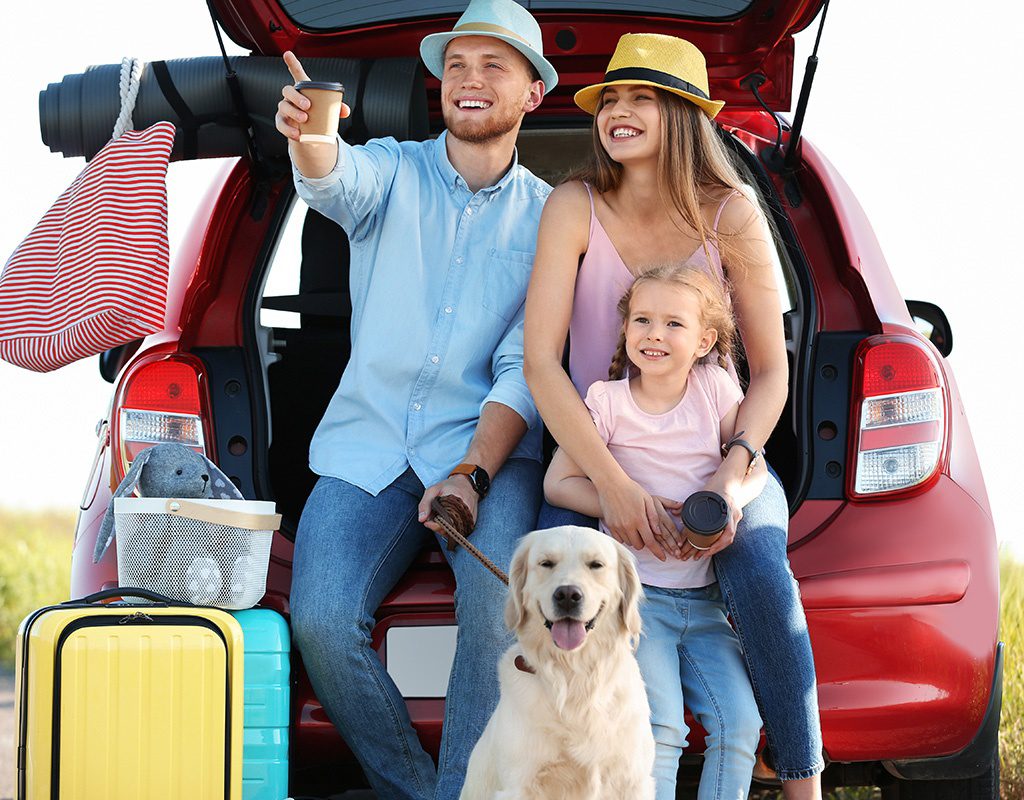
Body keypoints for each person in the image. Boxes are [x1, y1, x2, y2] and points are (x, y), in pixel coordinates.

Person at [524, 33, 825, 797]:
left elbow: (771, 374)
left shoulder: (733, 213)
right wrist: (615, 489)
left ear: (686, 115)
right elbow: (541, 367)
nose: (618, 111)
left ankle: (801, 780)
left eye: (642, 98)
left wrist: (730, 477)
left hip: (719, 454)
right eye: (611, 99)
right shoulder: (572, 205)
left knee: (758, 561)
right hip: (606, 450)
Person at [273, 1, 558, 797]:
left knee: (495, 612)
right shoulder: (391, 168)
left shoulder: (550, 219)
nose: (468, 81)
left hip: (487, 455)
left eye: (493, 66)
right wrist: (312, 136)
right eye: (456, 66)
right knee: (321, 621)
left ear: (533, 92)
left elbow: (524, 367)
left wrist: (471, 473)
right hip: (367, 450)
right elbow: (335, 176)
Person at [544, 263, 768, 798]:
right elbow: (558, 482)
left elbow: (753, 466)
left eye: (674, 324)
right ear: (624, 331)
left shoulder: (713, 389)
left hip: (707, 601)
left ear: (704, 341)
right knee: (660, 729)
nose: (655, 334)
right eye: (642, 320)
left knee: (740, 726)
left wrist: (729, 499)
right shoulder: (607, 403)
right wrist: (627, 505)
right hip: (636, 605)